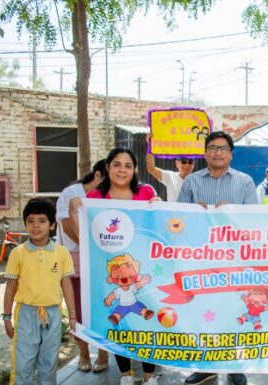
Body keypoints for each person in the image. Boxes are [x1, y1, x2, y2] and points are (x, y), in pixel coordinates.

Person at [69, 147, 159, 385]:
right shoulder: (95, 200)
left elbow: (160, 226)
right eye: (116, 164)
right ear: (107, 168)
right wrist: (73, 211)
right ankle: (126, 375)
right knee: (119, 326)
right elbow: (85, 240)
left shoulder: (146, 193)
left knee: (145, 325)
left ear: (135, 170)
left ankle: (150, 376)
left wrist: (160, 207)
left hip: (143, 270)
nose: (122, 170)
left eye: (128, 165)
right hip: (110, 273)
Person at [178, 131, 257, 385]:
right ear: (205, 153)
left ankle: (235, 365)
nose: (217, 152)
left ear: (231, 154)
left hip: (235, 259)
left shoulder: (245, 182)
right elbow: (176, 221)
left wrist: (232, 214)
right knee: (204, 313)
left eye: (223, 148)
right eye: (212, 148)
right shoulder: (191, 182)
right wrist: (192, 214)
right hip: (201, 259)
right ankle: (206, 366)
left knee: (235, 310)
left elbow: (255, 221)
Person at [3, 198, 76, 385]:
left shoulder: (61, 253)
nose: (36, 226)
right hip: (26, 313)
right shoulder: (18, 253)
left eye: (42, 221)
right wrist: (6, 316)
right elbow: (10, 286)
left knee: (49, 362)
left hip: (53, 313)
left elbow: (66, 285)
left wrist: (73, 317)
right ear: (25, 223)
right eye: (31, 221)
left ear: (52, 225)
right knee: (23, 364)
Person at [55, 159, 109, 373]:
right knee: (77, 308)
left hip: (101, 261)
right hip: (75, 259)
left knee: (103, 308)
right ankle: (84, 353)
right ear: (97, 175)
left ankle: (103, 354)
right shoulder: (71, 193)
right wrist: (91, 244)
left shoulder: (108, 195)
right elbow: (67, 225)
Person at [145, 133, 195, 201]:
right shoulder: (170, 176)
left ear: (193, 164)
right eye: (183, 162)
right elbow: (151, 169)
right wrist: (150, 146)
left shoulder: (198, 181)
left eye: (190, 162)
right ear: (177, 163)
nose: (187, 165)